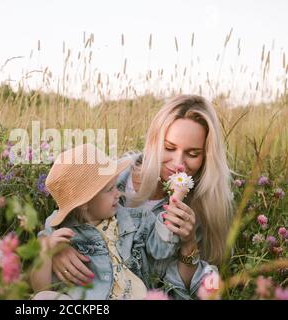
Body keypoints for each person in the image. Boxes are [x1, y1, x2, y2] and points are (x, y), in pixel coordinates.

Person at [49, 95, 234, 299]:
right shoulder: (116, 176)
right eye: (169, 148)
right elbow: (66, 211)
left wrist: (188, 244)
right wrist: (53, 249)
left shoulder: (200, 205)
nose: (178, 163)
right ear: (154, 141)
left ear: (207, 156)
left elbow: (181, 288)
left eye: (192, 154)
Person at [30, 143, 176, 300]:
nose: (118, 193)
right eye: (109, 189)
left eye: (115, 186)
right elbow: (40, 288)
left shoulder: (134, 221)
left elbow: (162, 251)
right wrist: (45, 253)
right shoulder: (58, 231)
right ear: (84, 203)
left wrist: (173, 207)